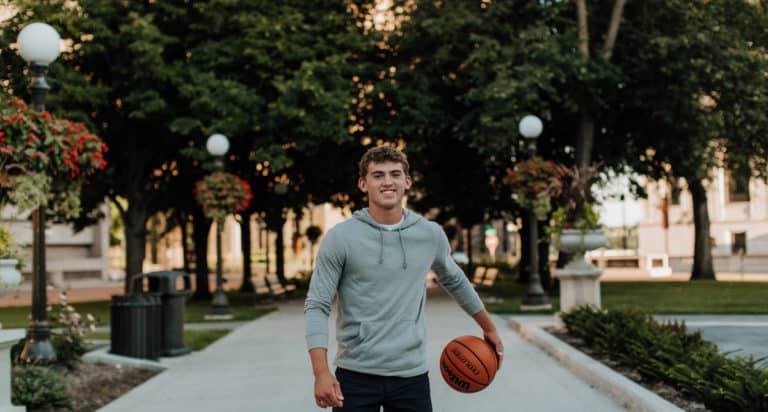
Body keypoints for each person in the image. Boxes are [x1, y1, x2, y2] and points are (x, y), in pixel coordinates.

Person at [304, 146, 504, 411]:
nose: (387, 181)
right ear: (363, 184)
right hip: (355, 376)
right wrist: (321, 372)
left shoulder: (429, 234)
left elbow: (455, 281)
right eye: (378, 175)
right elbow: (317, 304)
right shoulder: (341, 238)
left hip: (411, 375)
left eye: (395, 174)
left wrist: (488, 327)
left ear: (407, 182)